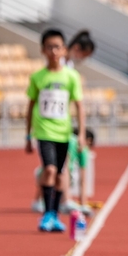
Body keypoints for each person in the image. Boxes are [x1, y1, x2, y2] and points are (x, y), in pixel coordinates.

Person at [26, 29, 85, 232]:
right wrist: (27, 134)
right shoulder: (37, 77)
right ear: (43, 50)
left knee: (60, 174)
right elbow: (30, 105)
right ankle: (47, 214)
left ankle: (54, 215)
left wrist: (82, 134)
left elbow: (79, 106)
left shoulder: (71, 77)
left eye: (57, 47)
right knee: (49, 170)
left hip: (64, 132)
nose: (53, 51)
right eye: (49, 47)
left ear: (64, 50)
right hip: (43, 132)